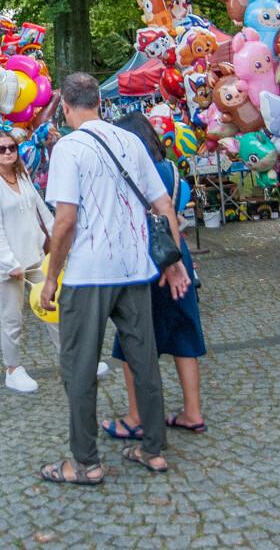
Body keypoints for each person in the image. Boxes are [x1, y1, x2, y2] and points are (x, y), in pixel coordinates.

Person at [38, 73, 191, 484]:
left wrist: (52, 278)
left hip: (89, 273)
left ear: (66, 107)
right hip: (135, 269)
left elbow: (65, 220)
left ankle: (85, 462)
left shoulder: (69, 148)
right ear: (100, 104)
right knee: (145, 361)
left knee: (78, 366)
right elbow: (163, 204)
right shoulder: (132, 141)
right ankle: (154, 450)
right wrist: (173, 261)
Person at [99, 111, 207, 440]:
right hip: (178, 252)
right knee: (184, 333)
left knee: (132, 338)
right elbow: (174, 211)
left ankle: (136, 416)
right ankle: (193, 412)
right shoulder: (171, 169)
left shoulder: (131, 171)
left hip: (148, 256)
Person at [0, 130, 59, 393]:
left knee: (53, 310)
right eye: (1, 149)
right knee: (12, 319)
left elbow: (40, 207)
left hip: (33, 257)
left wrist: (57, 234)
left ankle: (71, 357)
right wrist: (9, 263)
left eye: (12, 147)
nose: (8, 152)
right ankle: (12, 369)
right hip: (9, 265)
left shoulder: (21, 174)